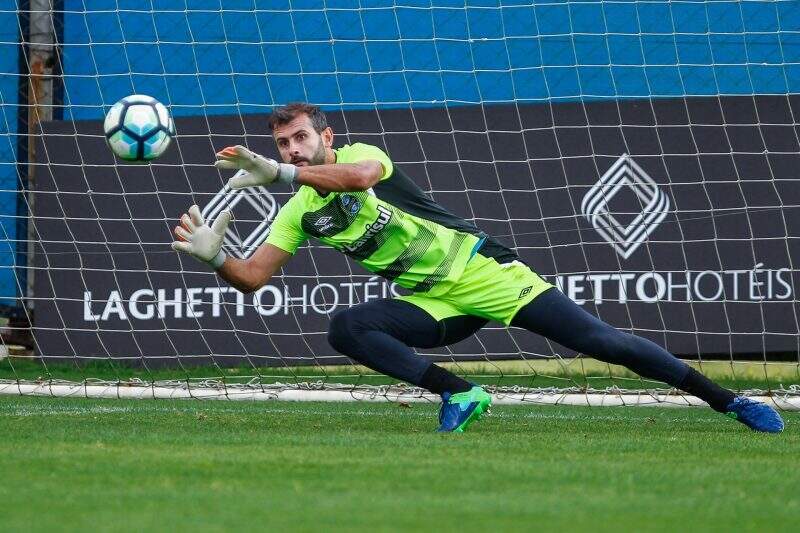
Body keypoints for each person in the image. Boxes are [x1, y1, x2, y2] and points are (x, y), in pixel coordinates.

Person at [172, 103, 784, 433]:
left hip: (483, 271)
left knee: (604, 342)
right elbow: (255, 278)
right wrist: (218, 258)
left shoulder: (357, 155)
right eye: (282, 145)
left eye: (300, 138)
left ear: (325, 135)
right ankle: (460, 396)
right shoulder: (301, 211)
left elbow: (357, 180)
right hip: (435, 302)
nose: (292, 150)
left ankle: (728, 402)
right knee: (346, 328)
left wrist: (282, 174)